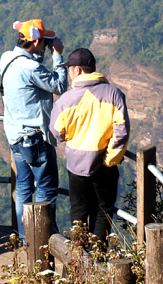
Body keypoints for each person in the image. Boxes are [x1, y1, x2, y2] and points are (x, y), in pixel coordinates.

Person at [50, 48, 129, 248]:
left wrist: (72, 136)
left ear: (76, 70)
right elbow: (122, 132)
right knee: (103, 211)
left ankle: (79, 259)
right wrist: (109, 159)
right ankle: (98, 255)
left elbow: (56, 132)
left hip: (77, 165)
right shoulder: (114, 94)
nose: (69, 73)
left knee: (78, 212)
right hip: (105, 164)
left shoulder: (66, 100)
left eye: (69, 69)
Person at [0, 19, 68, 239]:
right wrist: (57, 55)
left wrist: (40, 53)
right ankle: (42, 239)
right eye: (45, 42)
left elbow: (32, 68)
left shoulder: (7, 58)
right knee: (46, 189)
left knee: (23, 187)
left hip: (15, 137)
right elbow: (59, 85)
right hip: (35, 139)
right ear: (37, 40)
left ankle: (24, 238)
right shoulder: (31, 68)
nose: (47, 45)